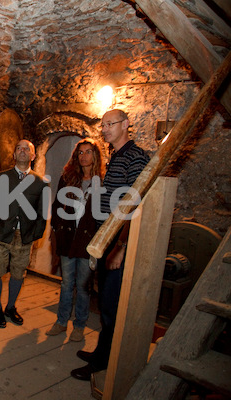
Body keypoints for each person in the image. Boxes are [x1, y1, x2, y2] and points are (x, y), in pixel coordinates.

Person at [70, 109, 150, 381]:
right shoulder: (117, 157)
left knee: (112, 304)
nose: (104, 129)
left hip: (119, 239)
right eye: (102, 125)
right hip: (107, 236)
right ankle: (102, 352)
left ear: (126, 125)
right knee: (104, 299)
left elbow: (135, 204)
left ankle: (106, 362)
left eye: (110, 124)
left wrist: (121, 246)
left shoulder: (136, 157)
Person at [46, 138, 105, 341]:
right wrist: (55, 229)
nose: (84, 156)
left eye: (88, 152)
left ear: (95, 155)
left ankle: (79, 325)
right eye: (80, 152)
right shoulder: (68, 177)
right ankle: (61, 321)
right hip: (68, 237)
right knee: (66, 283)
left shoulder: (102, 181)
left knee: (83, 285)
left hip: (88, 241)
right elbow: (56, 205)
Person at [0, 140, 48, 328]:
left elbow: (42, 212)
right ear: (13, 155)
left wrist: (35, 234)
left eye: (27, 149)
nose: (23, 151)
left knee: (18, 273)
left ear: (33, 155)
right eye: (19, 148)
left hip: (24, 237)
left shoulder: (40, 183)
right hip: (1, 234)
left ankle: (10, 307)